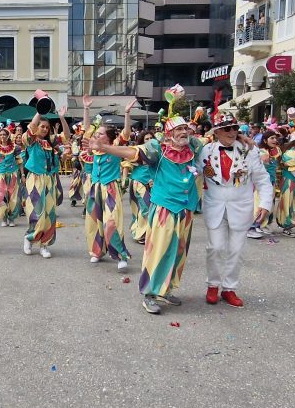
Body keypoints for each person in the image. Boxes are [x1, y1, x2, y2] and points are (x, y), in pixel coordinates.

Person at [90, 95, 207, 314]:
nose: (184, 133)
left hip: (186, 209)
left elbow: (209, 140)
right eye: (178, 130)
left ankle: (167, 289)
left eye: (186, 129)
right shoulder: (158, 150)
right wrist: (106, 148)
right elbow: (133, 152)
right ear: (169, 134)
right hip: (165, 208)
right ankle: (149, 294)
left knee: (179, 252)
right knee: (158, 252)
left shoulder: (193, 148)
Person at [197, 114, 273, 308]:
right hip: (214, 206)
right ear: (217, 131)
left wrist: (265, 203)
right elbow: (190, 171)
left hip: (241, 206)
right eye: (227, 128)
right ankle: (213, 284)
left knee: (236, 250)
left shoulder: (249, 152)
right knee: (214, 248)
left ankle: (229, 288)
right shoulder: (204, 151)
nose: (232, 132)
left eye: (235, 128)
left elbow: (262, 179)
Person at [83, 99, 135, 272]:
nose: (97, 136)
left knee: (111, 222)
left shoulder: (115, 148)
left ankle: (120, 256)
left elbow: (126, 133)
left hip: (111, 188)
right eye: (97, 134)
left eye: (101, 134)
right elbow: (86, 129)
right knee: (93, 222)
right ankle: (97, 251)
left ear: (109, 138)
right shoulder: (95, 149)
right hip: (95, 188)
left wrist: (127, 114)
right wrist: (86, 109)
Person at [22, 103, 70, 259]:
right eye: (41, 126)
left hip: (49, 180)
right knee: (35, 212)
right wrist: (39, 111)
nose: (44, 129)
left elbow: (67, 136)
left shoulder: (52, 142)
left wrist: (61, 117)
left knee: (49, 214)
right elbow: (32, 127)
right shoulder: (30, 140)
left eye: (46, 127)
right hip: (34, 179)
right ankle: (29, 238)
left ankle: (44, 245)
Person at [249, 130, 281, 238]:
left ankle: (262, 223)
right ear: (265, 140)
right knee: (259, 203)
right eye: (271, 138)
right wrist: (262, 159)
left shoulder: (277, 151)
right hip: (260, 183)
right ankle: (253, 225)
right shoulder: (261, 151)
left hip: (271, 181)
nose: (274, 140)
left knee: (269, 204)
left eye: (275, 138)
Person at [0, 127, 23, 227]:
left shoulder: (15, 147)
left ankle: (12, 218)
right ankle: (4, 218)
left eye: (4, 135)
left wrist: (22, 175)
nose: (3, 137)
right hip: (1, 174)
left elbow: (19, 162)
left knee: (13, 197)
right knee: (2, 197)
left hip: (13, 174)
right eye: (1, 135)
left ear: (8, 136)